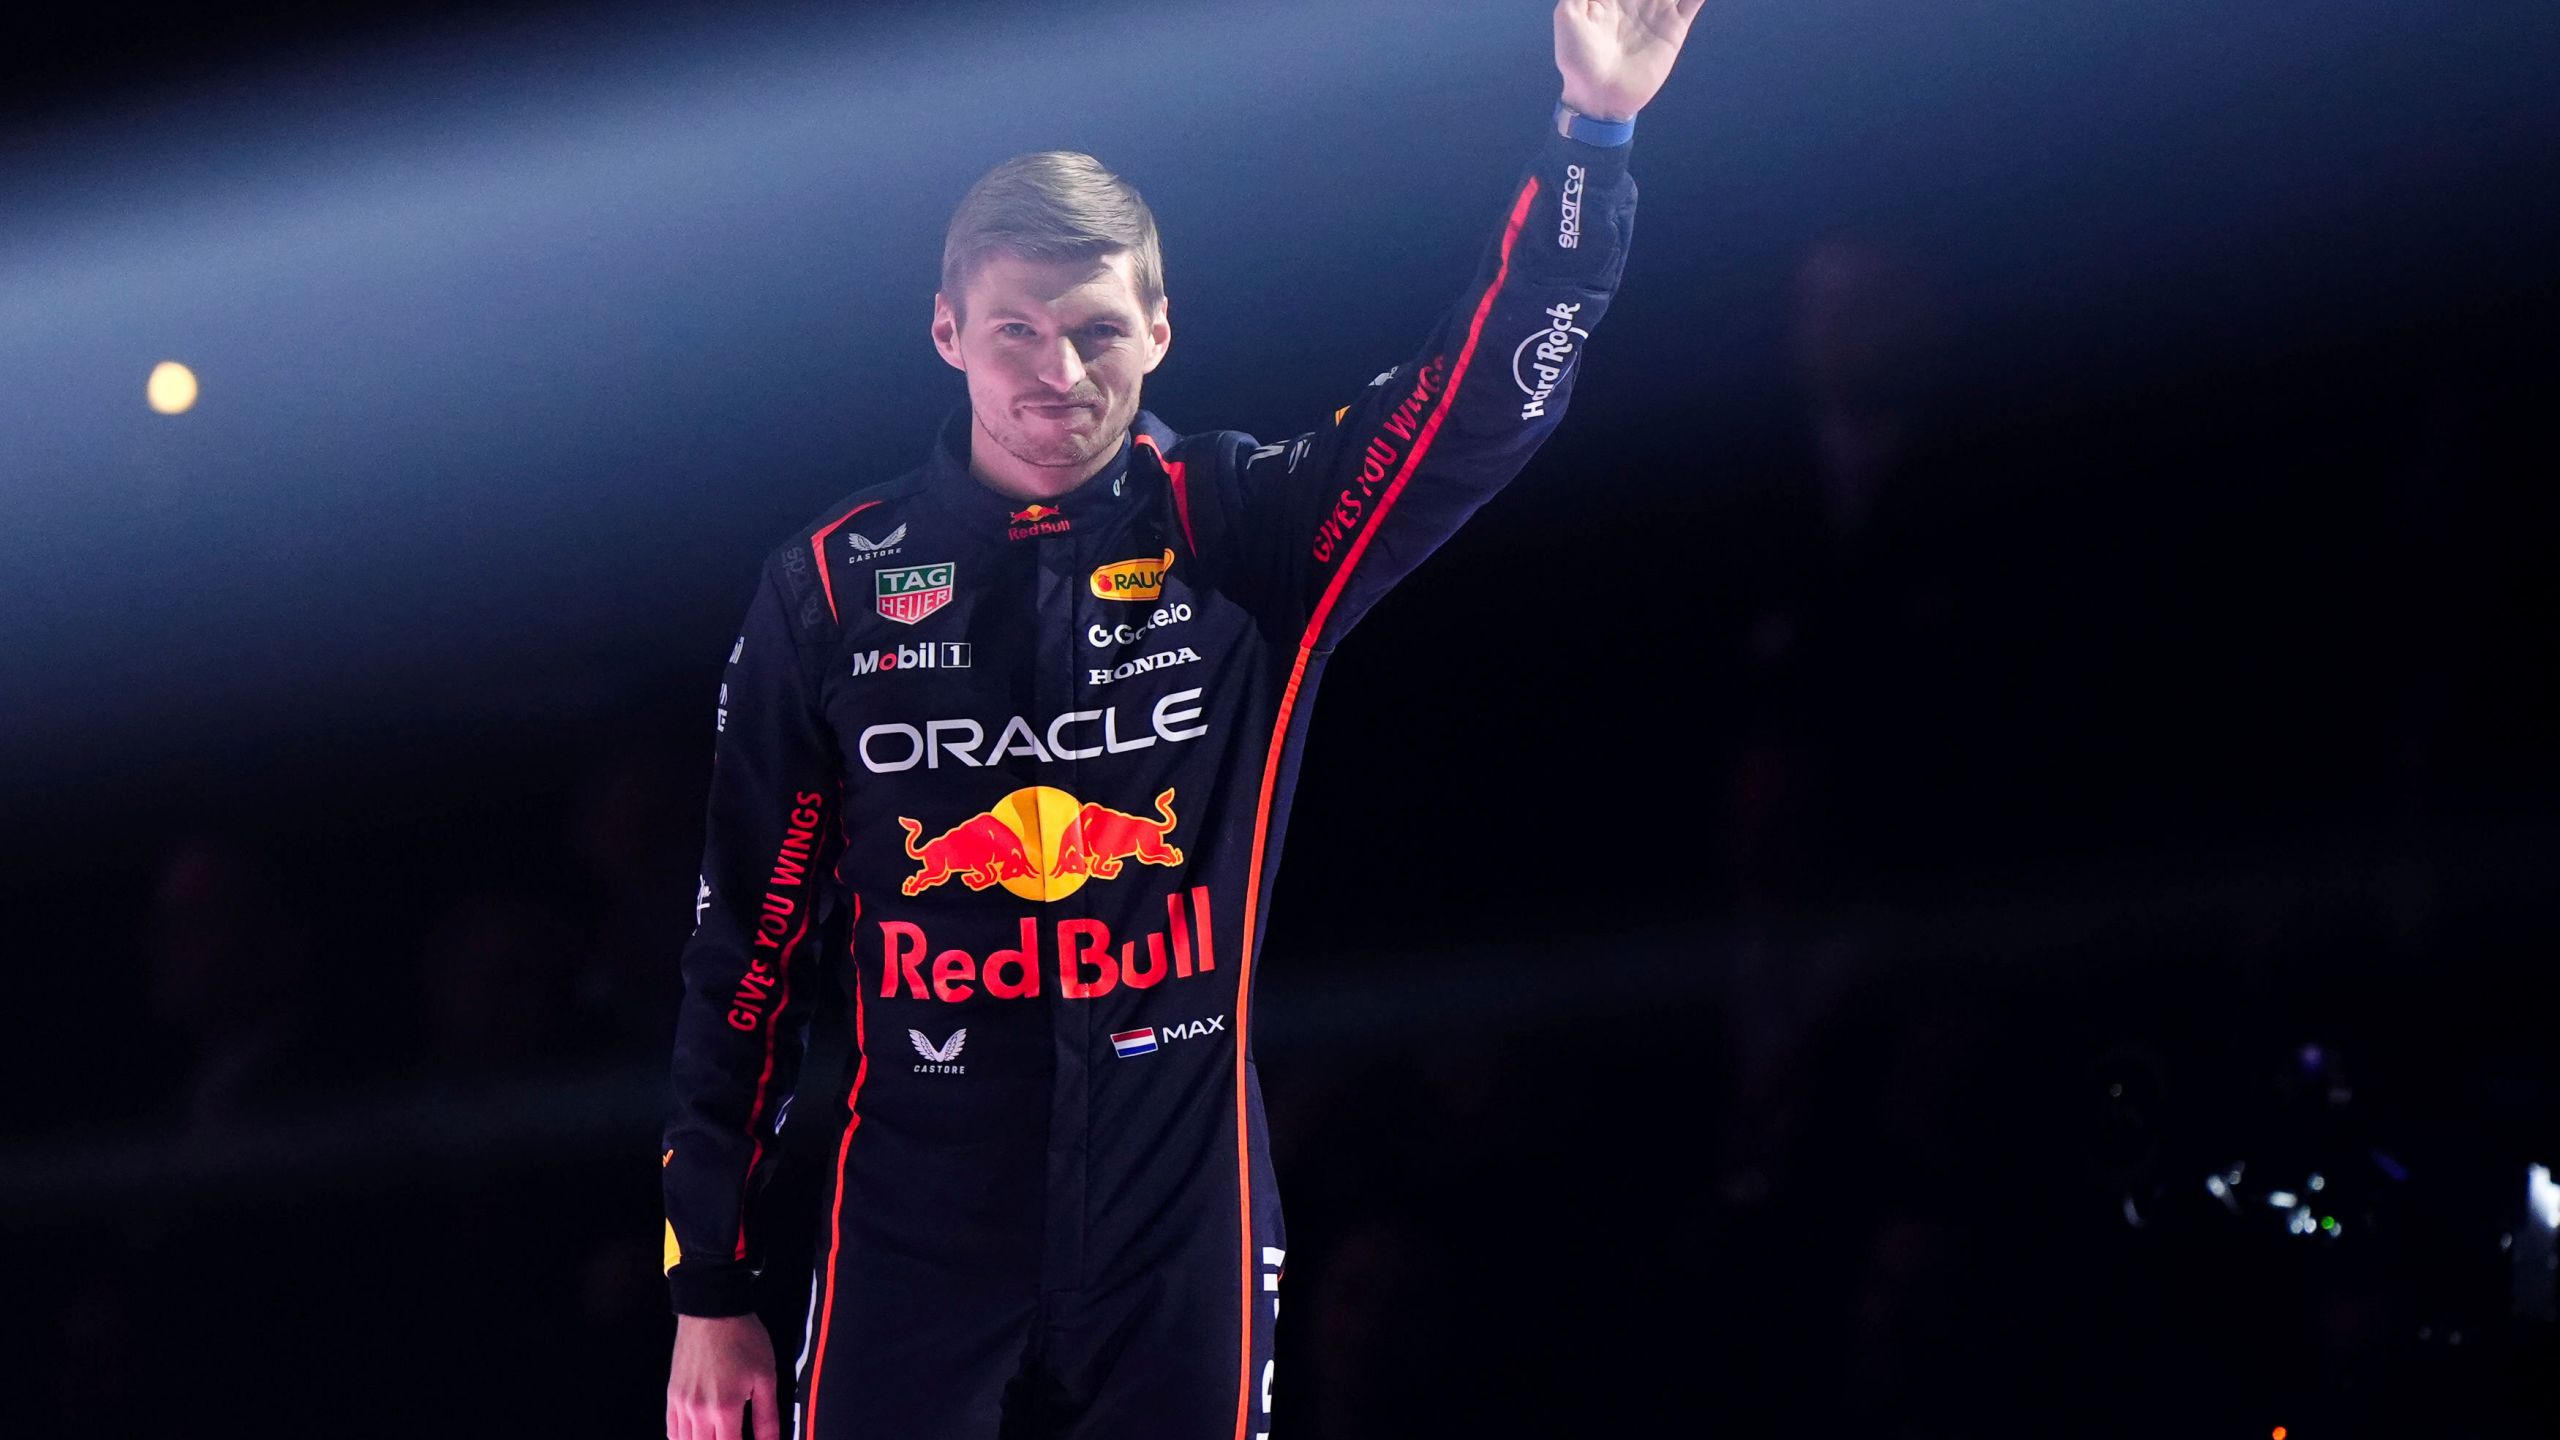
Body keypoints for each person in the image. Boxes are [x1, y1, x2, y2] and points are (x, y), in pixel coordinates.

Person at [662, 4, 1700, 1436]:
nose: (1059, 374)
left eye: (1097, 331)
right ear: (948, 329)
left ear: (1160, 327)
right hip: (913, 1219)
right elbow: (747, 958)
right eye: (1017, 329)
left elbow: (1483, 405)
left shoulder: (1249, 526)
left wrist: (1594, 133)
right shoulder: (828, 589)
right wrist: (710, 1289)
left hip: (1180, 1219)